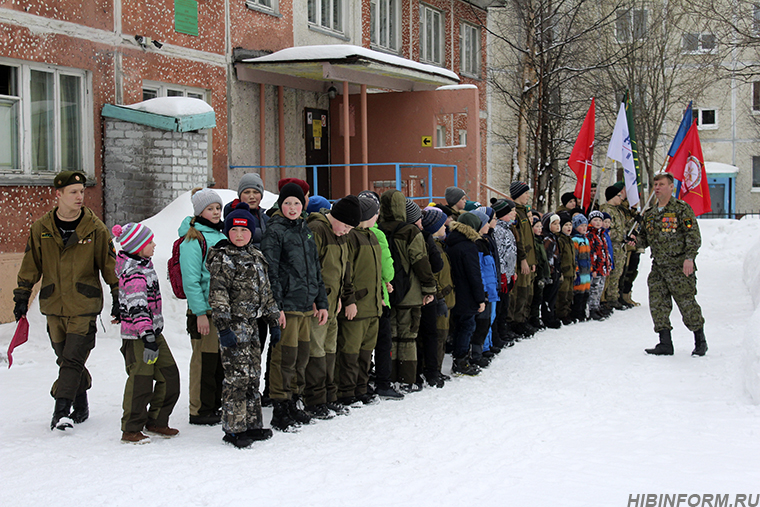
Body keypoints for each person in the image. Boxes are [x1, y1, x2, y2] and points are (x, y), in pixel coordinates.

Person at [13, 171, 119, 431]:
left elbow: (109, 265)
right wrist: (22, 296)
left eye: (82, 191)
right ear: (58, 194)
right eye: (73, 192)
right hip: (53, 305)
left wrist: (118, 295)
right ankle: (80, 402)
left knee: (72, 359)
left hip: (84, 304)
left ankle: (61, 411)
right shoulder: (41, 228)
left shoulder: (95, 229)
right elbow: (31, 265)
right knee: (66, 359)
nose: (80, 197)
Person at [207, 203, 280, 447]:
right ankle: (234, 428)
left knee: (252, 376)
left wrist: (273, 319)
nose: (240, 236)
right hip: (234, 327)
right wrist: (224, 327)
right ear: (228, 232)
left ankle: (252, 424)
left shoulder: (257, 256)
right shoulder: (223, 259)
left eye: (245, 231)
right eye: (235, 231)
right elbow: (218, 296)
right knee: (236, 378)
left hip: (254, 325)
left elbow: (266, 292)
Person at [260, 184, 329, 428]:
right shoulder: (275, 231)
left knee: (301, 357)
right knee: (284, 358)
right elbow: (272, 271)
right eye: (288, 203)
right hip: (287, 306)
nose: (292, 208)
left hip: (305, 306)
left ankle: (294, 400)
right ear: (281, 204)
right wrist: (276, 306)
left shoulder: (305, 231)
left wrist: (321, 302)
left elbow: (315, 270)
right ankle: (280, 406)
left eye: (297, 204)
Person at [113, 222, 180, 444]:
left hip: (152, 334)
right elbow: (137, 307)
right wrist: (147, 336)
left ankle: (157, 420)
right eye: (149, 242)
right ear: (138, 246)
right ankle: (131, 429)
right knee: (141, 381)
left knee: (169, 376)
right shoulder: (134, 273)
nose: (154, 244)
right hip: (139, 337)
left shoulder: (144, 265)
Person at [636, 173, 707, 356]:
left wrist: (689, 258)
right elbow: (644, 239)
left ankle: (700, 341)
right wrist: (634, 241)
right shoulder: (650, 214)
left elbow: (693, 236)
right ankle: (665, 343)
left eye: (661, 184)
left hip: (679, 266)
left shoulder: (681, 209)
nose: (657, 188)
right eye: (655, 184)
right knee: (658, 305)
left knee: (687, 304)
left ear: (671, 187)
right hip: (659, 267)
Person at [306, 195, 362, 410]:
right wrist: (315, 299)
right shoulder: (318, 230)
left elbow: (342, 269)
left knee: (330, 347)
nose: (347, 231)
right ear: (335, 217)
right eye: (346, 225)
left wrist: (341, 296)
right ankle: (315, 398)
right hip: (318, 302)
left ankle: (329, 394)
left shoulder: (341, 234)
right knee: (316, 348)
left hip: (333, 301)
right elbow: (311, 269)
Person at [378, 190, 437, 389]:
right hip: (410, 292)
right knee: (408, 336)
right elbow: (420, 261)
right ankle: (407, 378)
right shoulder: (410, 231)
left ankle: (389, 375)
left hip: (387, 292)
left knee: (390, 336)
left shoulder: (377, 229)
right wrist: (429, 287)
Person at [179, 188, 227, 426]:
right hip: (204, 311)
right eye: (210, 209)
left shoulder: (219, 234)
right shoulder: (193, 238)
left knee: (217, 361)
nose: (216, 212)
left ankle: (213, 404)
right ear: (199, 212)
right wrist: (199, 313)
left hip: (220, 309)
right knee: (204, 361)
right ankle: (200, 410)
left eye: (218, 208)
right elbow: (191, 279)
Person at [336, 196, 383, 404]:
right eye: (375, 214)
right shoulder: (351, 237)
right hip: (357, 306)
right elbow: (347, 271)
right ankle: (346, 391)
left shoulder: (372, 236)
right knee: (350, 352)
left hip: (372, 307)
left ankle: (361, 387)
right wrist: (349, 300)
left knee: (365, 352)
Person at [445, 212, 485, 376]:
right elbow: (473, 275)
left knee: (459, 326)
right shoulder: (468, 247)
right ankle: (461, 361)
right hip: (466, 294)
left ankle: (458, 357)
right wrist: (480, 298)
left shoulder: (451, 242)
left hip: (454, 291)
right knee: (467, 326)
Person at [507, 181, 536, 337]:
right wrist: (524, 259)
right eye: (525, 193)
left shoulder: (524, 212)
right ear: (518, 194)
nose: (528, 196)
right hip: (520, 261)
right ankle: (515, 322)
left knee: (527, 292)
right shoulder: (516, 214)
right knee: (519, 292)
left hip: (528, 260)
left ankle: (522, 319)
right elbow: (518, 240)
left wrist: (532, 261)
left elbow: (529, 239)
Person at [491, 199, 518, 345]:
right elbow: (499, 254)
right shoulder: (498, 231)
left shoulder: (507, 229)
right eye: (510, 212)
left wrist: (512, 271)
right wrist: (502, 274)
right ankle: (497, 334)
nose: (514, 213)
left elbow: (511, 253)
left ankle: (503, 331)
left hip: (508, 275)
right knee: (500, 307)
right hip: (501, 276)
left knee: (505, 305)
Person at [586, 210, 612, 321]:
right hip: (596, 268)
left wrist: (608, 263)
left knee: (600, 287)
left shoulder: (602, 235)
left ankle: (597, 306)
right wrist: (594, 268)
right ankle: (591, 308)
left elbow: (606, 251)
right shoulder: (590, 235)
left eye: (599, 220)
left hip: (603, 267)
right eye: (595, 220)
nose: (597, 222)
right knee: (594, 288)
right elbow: (591, 253)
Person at [540, 213, 562, 329]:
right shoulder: (548, 239)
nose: (558, 226)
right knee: (548, 295)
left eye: (558, 223)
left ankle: (551, 315)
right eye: (554, 223)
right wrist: (550, 271)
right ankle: (547, 317)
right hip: (551, 272)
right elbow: (547, 258)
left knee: (553, 295)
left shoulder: (554, 237)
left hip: (555, 271)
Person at [556, 213, 576, 325]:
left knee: (569, 294)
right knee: (562, 294)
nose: (569, 227)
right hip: (564, 271)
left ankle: (567, 313)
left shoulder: (570, 240)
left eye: (570, 225)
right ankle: (561, 314)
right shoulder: (561, 240)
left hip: (571, 271)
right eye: (566, 225)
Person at [571, 214, 591, 322]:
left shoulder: (586, 239)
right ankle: (576, 313)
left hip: (586, 272)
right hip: (580, 271)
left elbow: (589, 257)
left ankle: (583, 311)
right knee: (578, 294)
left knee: (585, 293)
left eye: (585, 226)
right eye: (581, 226)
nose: (584, 228)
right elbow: (575, 257)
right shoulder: (575, 240)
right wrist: (576, 271)